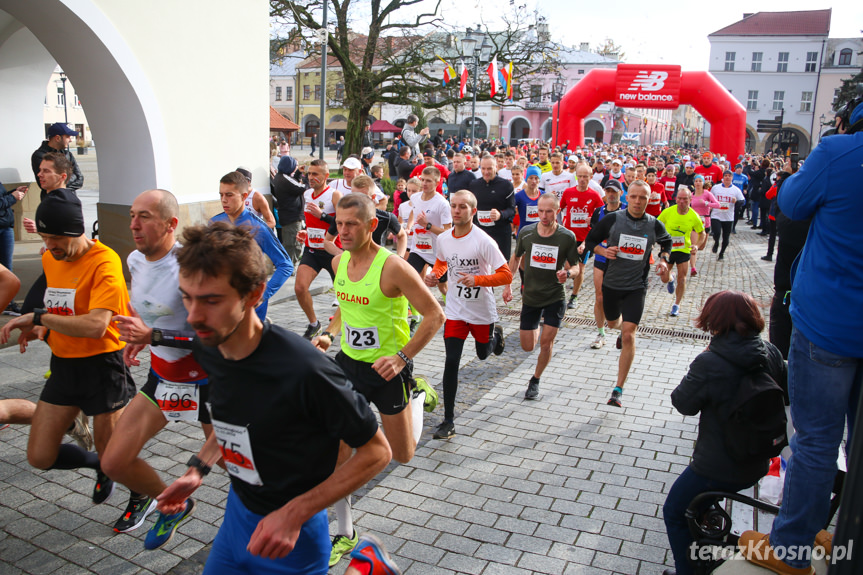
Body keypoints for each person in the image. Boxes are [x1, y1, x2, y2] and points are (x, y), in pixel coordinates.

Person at [125, 221, 393, 575]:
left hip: (291, 531)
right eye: (187, 297)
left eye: (212, 300)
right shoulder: (210, 346)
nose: (194, 316)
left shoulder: (304, 369)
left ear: (254, 294)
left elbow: (377, 451)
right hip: (237, 516)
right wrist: (198, 468)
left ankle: (367, 567)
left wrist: (295, 514)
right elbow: (232, 420)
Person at [739, 101, 863, 575]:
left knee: (815, 439)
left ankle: (790, 547)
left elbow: (789, 203)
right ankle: (846, 530)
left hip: (830, 322)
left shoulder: (837, 151)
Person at [311, 193, 444, 566]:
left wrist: (402, 359)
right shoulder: (338, 262)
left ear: (372, 226)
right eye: (339, 223)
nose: (343, 231)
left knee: (402, 455)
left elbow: (435, 316)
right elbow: (345, 306)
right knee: (336, 450)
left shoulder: (394, 268)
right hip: (348, 366)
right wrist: (329, 333)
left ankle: (417, 396)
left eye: (352, 224)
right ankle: (345, 531)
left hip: (389, 371)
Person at [0, 190, 137, 527]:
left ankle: (140, 495)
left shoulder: (105, 262)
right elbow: (59, 304)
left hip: (103, 365)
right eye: (45, 237)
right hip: (63, 365)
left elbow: (95, 325)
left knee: (115, 456)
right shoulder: (51, 258)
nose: (49, 245)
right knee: (40, 455)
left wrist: (38, 319)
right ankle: (97, 465)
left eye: (57, 237)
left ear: (78, 232)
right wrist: (42, 328)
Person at [95, 189, 217, 546]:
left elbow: (214, 336)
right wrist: (139, 336)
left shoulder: (190, 266)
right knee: (114, 462)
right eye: (132, 215)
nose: (134, 225)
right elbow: (148, 309)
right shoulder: (133, 260)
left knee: (234, 465)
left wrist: (155, 336)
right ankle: (173, 504)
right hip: (163, 378)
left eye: (144, 217)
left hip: (208, 380)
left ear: (170, 224)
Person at [664, 290, 786, 575]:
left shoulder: (711, 362)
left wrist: (702, 363)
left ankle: (690, 572)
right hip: (757, 461)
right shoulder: (770, 352)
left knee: (675, 511)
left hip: (716, 467)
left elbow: (683, 403)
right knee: (699, 504)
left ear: (714, 321)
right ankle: (705, 544)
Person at [424, 190, 510, 439]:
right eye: (453, 206)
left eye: (463, 207)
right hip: (455, 310)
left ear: (473, 211)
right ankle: (448, 420)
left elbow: (506, 274)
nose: (456, 210)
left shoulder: (483, 241)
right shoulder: (444, 239)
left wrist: (478, 279)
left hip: (482, 311)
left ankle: (496, 336)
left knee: (483, 354)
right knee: (451, 362)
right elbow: (442, 262)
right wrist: (435, 275)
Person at [584, 181, 672, 407]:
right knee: (614, 324)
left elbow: (667, 242)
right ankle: (616, 328)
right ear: (627, 197)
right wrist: (604, 250)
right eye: (633, 196)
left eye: (642, 197)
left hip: (636, 286)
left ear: (649, 199)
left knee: (629, 334)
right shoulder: (613, 219)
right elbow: (590, 240)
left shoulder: (654, 224)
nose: (637, 201)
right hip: (612, 285)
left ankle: (618, 389)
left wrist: (663, 259)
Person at [502, 193, 580, 400]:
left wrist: (568, 273)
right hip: (531, 296)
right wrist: (508, 285)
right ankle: (534, 327)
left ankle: (535, 380)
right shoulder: (526, 233)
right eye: (541, 211)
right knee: (528, 346)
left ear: (557, 211)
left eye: (549, 211)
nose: (544, 215)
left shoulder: (566, 237)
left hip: (555, 296)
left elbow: (577, 266)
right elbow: (516, 257)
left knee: (546, 344)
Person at [210, 171, 293, 321]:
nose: (223, 200)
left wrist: (263, 294)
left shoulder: (258, 227)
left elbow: (286, 265)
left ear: (243, 196)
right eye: (221, 195)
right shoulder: (215, 223)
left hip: (250, 305)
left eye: (229, 195)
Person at [294, 160, 342, 339]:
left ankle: (340, 328)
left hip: (332, 251)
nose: (311, 177)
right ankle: (314, 324)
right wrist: (305, 232)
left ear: (326, 176)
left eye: (316, 174)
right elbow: (311, 222)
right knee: (300, 288)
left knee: (346, 294)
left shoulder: (333, 195)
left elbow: (340, 222)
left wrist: (321, 215)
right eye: (309, 174)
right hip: (312, 249)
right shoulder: (306, 194)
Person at [584, 180, 626, 349]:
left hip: (621, 260)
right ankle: (600, 333)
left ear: (620, 193)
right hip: (601, 258)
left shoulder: (626, 211)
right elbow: (593, 236)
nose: (611, 194)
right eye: (608, 191)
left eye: (614, 191)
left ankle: (625, 327)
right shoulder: (598, 212)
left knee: (620, 297)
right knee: (600, 297)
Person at [559, 163, 604, 310]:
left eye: (586, 176)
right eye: (580, 176)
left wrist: (594, 220)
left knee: (580, 267)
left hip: (585, 239)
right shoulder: (568, 192)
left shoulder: (594, 195)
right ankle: (560, 295)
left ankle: (574, 296)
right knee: (567, 267)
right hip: (568, 236)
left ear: (591, 177)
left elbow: (603, 214)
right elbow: (559, 208)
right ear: (576, 176)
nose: (583, 179)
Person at [657, 187, 706, 317]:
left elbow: (702, 233)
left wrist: (697, 245)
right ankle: (670, 278)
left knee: (683, 279)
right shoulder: (668, 212)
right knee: (664, 278)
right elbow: (656, 225)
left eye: (685, 199)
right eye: (679, 198)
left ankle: (676, 305)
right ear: (676, 198)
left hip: (684, 250)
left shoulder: (694, 216)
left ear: (690, 200)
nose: (682, 201)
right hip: (668, 250)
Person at [406, 167, 452, 295]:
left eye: (429, 181)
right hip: (418, 250)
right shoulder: (415, 197)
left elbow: (448, 232)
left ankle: (451, 313)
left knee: (443, 288)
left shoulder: (442, 204)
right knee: (407, 280)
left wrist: (428, 226)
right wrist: (409, 226)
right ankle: (416, 314)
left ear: (437, 183)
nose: (425, 184)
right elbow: (413, 212)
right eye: (423, 180)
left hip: (438, 253)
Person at [469, 156, 516, 260]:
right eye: (483, 168)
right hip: (481, 231)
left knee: (503, 266)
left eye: (489, 168)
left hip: (500, 232)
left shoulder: (506, 185)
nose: (486, 172)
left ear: (496, 167)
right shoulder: (474, 185)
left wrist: (500, 214)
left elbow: (511, 210)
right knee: (479, 264)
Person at [31, 122, 84, 199]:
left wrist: (61, 186)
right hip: (52, 201)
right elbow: (47, 183)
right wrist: (71, 177)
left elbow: (80, 179)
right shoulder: (39, 156)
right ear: (57, 138)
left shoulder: (68, 155)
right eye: (68, 137)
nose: (70, 140)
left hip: (70, 199)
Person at [270, 155, 306, 265]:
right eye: (294, 166)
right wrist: (308, 178)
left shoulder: (281, 177)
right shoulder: (284, 179)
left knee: (292, 242)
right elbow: (301, 188)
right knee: (293, 243)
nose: (295, 168)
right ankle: (289, 266)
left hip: (288, 215)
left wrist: (299, 173)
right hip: (292, 216)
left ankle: (289, 264)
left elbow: (293, 182)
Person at [709, 170, 745, 261]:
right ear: (723, 177)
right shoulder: (716, 188)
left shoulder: (736, 190)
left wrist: (736, 201)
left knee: (726, 236)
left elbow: (743, 201)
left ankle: (722, 253)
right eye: (726, 176)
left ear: (732, 178)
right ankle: (716, 242)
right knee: (716, 232)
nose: (727, 177)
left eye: (729, 176)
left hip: (728, 216)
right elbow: (710, 198)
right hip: (716, 214)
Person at [688, 176, 720, 276]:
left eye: (700, 181)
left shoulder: (707, 193)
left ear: (703, 183)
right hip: (694, 222)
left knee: (701, 247)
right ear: (694, 183)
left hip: (705, 221)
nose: (698, 183)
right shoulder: (691, 194)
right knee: (694, 246)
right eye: (696, 181)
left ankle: (694, 260)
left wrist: (707, 203)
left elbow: (717, 204)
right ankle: (693, 268)